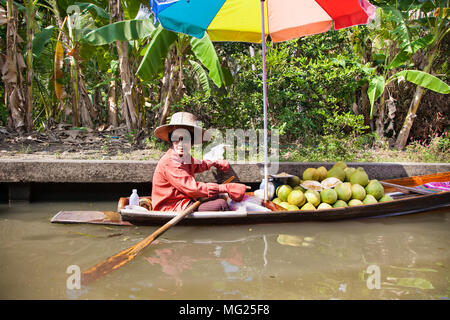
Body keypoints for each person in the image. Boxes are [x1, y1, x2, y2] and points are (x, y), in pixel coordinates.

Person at [151, 112, 247, 212]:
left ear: (191, 142)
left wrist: (215, 162)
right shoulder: (170, 161)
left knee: (220, 196)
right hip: (172, 206)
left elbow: (198, 165)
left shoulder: (185, 156)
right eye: (176, 139)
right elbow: (192, 188)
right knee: (221, 205)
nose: (181, 144)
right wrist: (225, 187)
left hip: (186, 199)